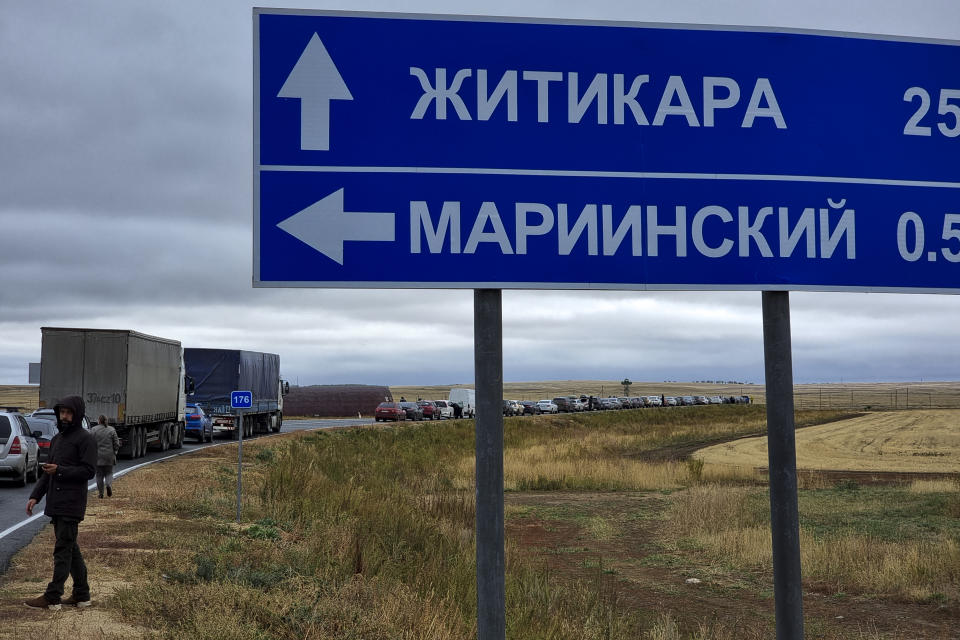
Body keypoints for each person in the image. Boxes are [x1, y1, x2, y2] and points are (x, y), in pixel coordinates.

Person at [24, 396, 97, 611]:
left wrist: (61, 470)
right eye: (62, 412)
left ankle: (52, 597)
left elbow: (89, 471)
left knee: (62, 550)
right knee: (71, 548)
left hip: (71, 504)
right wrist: (35, 497)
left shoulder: (86, 439)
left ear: (77, 414)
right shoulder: (57, 440)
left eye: (68, 413)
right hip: (56, 504)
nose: (64, 417)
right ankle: (82, 595)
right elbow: (48, 474)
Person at [90, 415, 119, 498]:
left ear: (98, 420)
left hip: (97, 456)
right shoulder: (111, 430)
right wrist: (115, 451)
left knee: (99, 475)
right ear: (106, 420)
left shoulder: (94, 430)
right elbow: (116, 443)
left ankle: (101, 494)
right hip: (109, 455)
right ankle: (108, 485)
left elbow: (90, 442)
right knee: (109, 473)